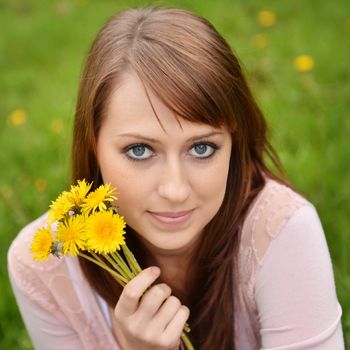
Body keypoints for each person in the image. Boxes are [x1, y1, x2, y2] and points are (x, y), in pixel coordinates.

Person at [7, 7, 344, 350]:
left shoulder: (281, 232)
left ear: (234, 141)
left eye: (201, 148)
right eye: (140, 150)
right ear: (93, 145)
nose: (175, 190)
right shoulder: (45, 266)